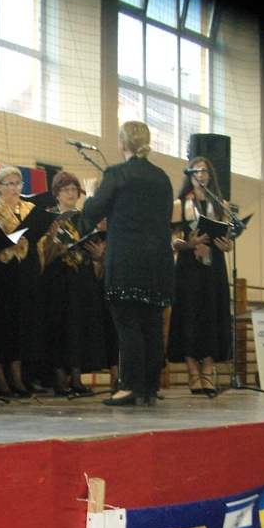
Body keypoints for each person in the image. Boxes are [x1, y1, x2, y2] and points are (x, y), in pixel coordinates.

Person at [82, 120, 174, 406]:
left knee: (128, 324)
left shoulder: (117, 174)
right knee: (152, 325)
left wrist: (90, 192)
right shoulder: (162, 178)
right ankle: (149, 387)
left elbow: (93, 212)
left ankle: (130, 386)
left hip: (127, 261)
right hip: (157, 261)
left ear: (122, 143)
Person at [38, 170, 111, 396]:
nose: (70, 193)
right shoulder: (49, 217)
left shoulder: (84, 217)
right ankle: (59, 378)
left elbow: (97, 246)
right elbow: (41, 250)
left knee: (79, 327)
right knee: (59, 327)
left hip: (82, 277)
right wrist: (55, 247)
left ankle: (78, 378)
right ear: (56, 193)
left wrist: (98, 253)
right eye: (65, 189)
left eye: (74, 189)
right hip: (57, 278)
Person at [167, 156, 233, 398]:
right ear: (189, 175)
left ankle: (207, 370)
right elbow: (172, 239)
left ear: (210, 175)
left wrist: (228, 245)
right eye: (195, 171)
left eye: (204, 170)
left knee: (211, 315)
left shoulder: (221, 204)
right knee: (189, 316)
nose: (200, 174)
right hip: (188, 266)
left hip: (213, 266)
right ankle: (193, 371)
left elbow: (227, 236)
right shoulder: (180, 204)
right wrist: (187, 243)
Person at [0, 166, 35, 397]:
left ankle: (18, 376)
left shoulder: (28, 208)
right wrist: (8, 241)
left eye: (18, 183)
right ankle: (0, 377)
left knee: (20, 323)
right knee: (1, 323)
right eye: (9, 183)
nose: (15, 188)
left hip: (22, 269)